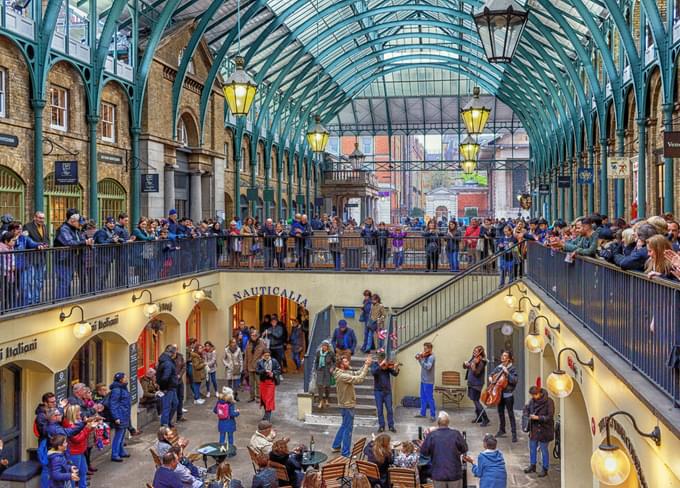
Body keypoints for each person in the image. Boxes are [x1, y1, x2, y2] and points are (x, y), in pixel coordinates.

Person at [331, 355, 372, 457]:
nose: (348, 363)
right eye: (346, 362)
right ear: (341, 365)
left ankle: (336, 445)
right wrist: (367, 366)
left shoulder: (343, 372)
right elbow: (359, 379)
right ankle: (345, 453)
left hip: (345, 404)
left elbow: (357, 373)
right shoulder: (342, 376)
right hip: (347, 405)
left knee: (344, 425)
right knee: (348, 429)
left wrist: (365, 364)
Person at [420, 411, 468, 488]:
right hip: (454, 473)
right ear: (448, 422)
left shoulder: (432, 435)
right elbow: (464, 449)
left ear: (438, 423)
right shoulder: (456, 434)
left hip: (438, 473)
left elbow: (424, 452)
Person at [523, 386, 555, 477]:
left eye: (535, 395)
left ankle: (545, 468)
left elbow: (550, 416)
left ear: (540, 393)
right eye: (532, 395)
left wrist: (538, 417)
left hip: (545, 430)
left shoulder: (549, 402)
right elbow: (526, 408)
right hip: (534, 429)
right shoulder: (532, 401)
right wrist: (527, 415)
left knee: (544, 449)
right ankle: (532, 465)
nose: (534, 397)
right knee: (532, 447)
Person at [489, 351, 518, 443]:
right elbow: (491, 375)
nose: (502, 357)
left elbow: (514, 380)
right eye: (502, 355)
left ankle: (514, 434)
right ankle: (502, 430)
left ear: (509, 358)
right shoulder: (499, 367)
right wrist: (490, 378)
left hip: (508, 394)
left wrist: (507, 373)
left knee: (510, 414)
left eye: (505, 356)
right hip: (499, 393)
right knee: (500, 412)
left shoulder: (512, 368)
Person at [371, 352, 399, 433]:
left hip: (387, 391)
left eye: (383, 359)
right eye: (380, 359)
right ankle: (381, 426)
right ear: (378, 359)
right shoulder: (375, 365)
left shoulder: (387, 365)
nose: (382, 361)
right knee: (379, 410)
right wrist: (380, 365)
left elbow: (395, 374)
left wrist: (396, 368)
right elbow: (373, 372)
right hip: (378, 391)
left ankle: (391, 426)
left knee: (390, 409)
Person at [462, 345, 489, 426]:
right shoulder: (473, 358)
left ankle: (485, 418)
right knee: (474, 400)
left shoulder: (482, 362)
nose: (474, 353)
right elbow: (465, 367)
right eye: (474, 351)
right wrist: (465, 364)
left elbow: (477, 373)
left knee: (476, 401)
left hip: (477, 384)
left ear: (481, 352)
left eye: (476, 352)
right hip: (471, 382)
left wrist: (473, 366)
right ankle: (479, 417)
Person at [109, 372, 131, 462]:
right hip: (120, 415)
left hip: (124, 414)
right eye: (125, 377)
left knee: (122, 436)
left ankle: (121, 451)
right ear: (121, 379)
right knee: (118, 436)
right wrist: (116, 417)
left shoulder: (123, 388)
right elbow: (113, 404)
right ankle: (115, 454)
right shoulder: (117, 390)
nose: (127, 378)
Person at [156, 345, 179, 427]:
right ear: (173, 353)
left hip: (171, 387)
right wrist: (164, 388)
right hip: (168, 388)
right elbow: (165, 377)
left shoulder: (166, 360)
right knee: (167, 406)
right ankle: (164, 424)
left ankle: (167, 421)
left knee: (175, 404)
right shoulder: (168, 363)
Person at [256, 349, 281, 421]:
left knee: (269, 399)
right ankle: (266, 415)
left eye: (268, 355)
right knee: (264, 399)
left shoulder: (274, 361)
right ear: (263, 355)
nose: (267, 357)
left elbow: (279, 369)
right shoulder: (260, 362)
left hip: (271, 382)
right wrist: (264, 371)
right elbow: (257, 371)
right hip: (263, 382)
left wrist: (273, 373)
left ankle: (268, 417)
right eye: (265, 355)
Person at [415, 342, 436, 421]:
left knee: (430, 398)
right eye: (424, 349)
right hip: (423, 380)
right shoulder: (424, 355)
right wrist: (419, 355)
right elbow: (418, 357)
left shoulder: (431, 357)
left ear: (430, 349)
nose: (424, 350)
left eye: (426, 349)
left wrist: (421, 360)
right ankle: (422, 413)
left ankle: (433, 415)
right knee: (423, 397)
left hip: (428, 381)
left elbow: (428, 367)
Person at [313, 340, 336, 409]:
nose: (324, 347)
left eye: (326, 346)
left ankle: (326, 399)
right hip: (320, 370)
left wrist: (332, 367)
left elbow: (335, 362)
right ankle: (320, 401)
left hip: (328, 371)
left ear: (328, 347)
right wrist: (316, 369)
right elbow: (316, 362)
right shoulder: (318, 353)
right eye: (323, 345)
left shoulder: (331, 353)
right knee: (320, 386)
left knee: (327, 386)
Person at [246, 330, 266, 402]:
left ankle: (258, 397)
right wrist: (245, 367)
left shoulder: (262, 343)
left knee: (258, 383)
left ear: (258, 336)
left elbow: (267, 353)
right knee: (251, 383)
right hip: (250, 366)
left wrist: (262, 360)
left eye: (255, 335)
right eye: (252, 335)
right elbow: (246, 356)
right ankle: (252, 397)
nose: (253, 337)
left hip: (258, 367)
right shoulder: (248, 343)